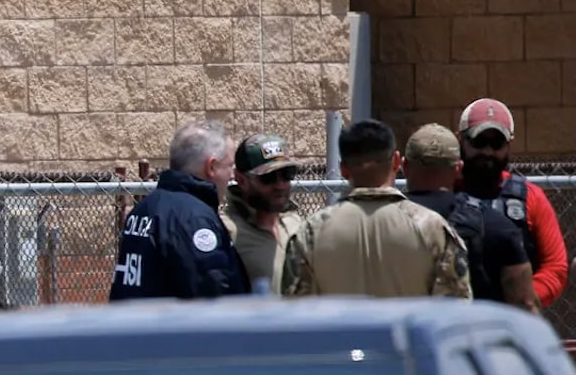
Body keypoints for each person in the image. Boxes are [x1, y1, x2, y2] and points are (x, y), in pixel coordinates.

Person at [281, 120, 470, 300]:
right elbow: (456, 308)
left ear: (343, 170)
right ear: (396, 162)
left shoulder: (311, 233)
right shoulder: (433, 229)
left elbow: (295, 309)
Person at [109, 119, 250, 301]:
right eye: (229, 166)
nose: (231, 175)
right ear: (211, 167)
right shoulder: (194, 219)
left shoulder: (143, 210)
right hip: (172, 319)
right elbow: (212, 294)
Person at [405, 124, 537, 309]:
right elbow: (524, 302)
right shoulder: (499, 227)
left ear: (403, 166)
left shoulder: (380, 222)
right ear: (458, 168)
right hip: (477, 326)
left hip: (398, 327)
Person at [457, 98, 568, 308]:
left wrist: (523, 297)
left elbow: (555, 266)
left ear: (509, 144)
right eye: (479, 142)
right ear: (461, 139)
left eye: (497, 144)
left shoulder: (531, 197)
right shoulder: (445, 191)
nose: (488, 152)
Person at [219, 133, 308, 295]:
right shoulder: (226, 232)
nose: (280, 185)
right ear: (241, 180)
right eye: (269, 177)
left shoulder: (295, 224)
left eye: (287, 174)